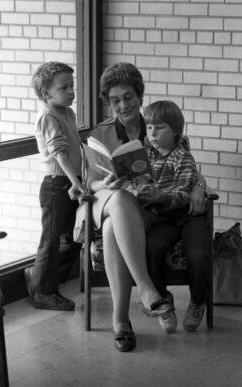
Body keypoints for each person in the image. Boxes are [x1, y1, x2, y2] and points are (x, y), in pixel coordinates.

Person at [87, 62, 207, 351]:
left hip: (139, 211)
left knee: (114, 227)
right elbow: (91, 183)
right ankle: (146, 288)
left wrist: (200, 186)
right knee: (119, 201)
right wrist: (109, 185)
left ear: (139, 95)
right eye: (115, 100)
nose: (123, 105)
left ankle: (121, 323)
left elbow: (186, 166)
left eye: (128, 97)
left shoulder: (157, 126)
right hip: (104, 199)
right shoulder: (99, 134)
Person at [138, 100, 211, 334]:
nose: (153, 133)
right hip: (163, 219)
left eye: (159, 128)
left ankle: (198, 300)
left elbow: (182, 194)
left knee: (199, 254)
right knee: (152, 248)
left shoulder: (182, 157)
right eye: (149, 128)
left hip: (188, 215)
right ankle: (163, 301)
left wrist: (160, 196)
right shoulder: (143, 154)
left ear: (176, 131)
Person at [24, 62, 85, 311]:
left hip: (70, 182)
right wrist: (76, 182)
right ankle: (44, 293)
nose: (71, 91)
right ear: (47, 94)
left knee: (73, 239)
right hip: (57, 186)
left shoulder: (67, 113)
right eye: (64, 87)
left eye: (72, 86)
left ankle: (37, 277)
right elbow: (59, 152)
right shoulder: (48, 115)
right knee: (50, 240)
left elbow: (75, 147)